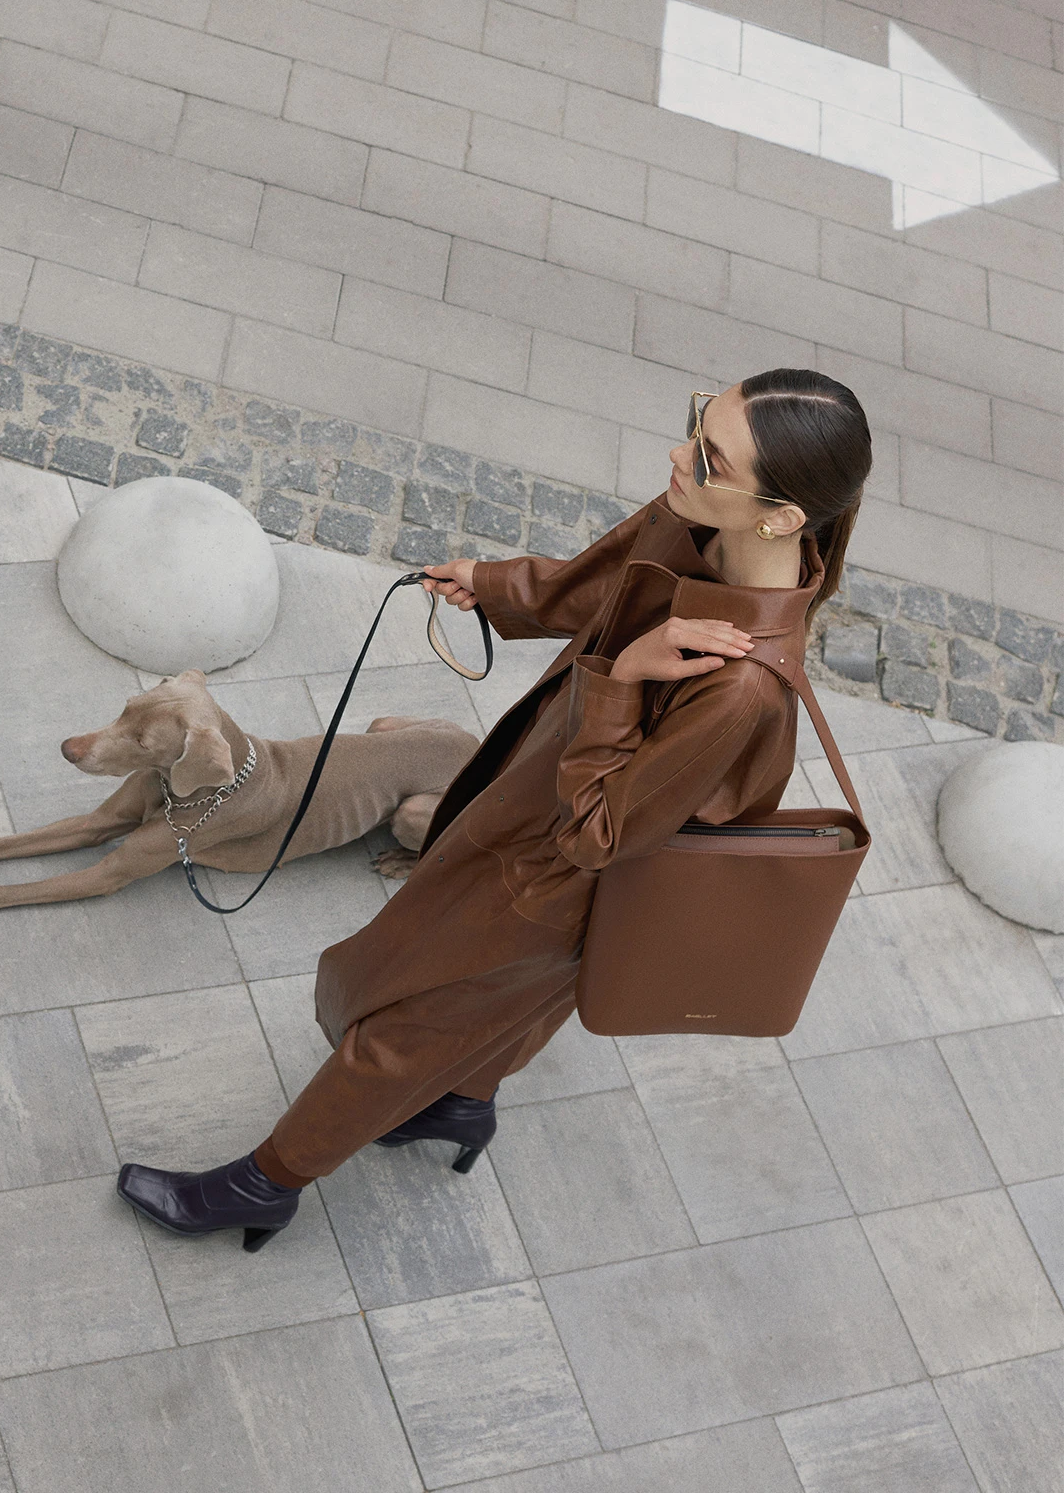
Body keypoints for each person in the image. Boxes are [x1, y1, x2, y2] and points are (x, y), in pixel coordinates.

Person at [116, 368, 873, 1251]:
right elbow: (607, 582)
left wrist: (622, 680)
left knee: (404, 1027)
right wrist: (500, 584)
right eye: (699, 422)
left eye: (711, 457)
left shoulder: (740, 689)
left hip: (557, 879)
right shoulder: (705, 516)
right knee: (490, 1010)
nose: (679, 455)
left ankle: (263, 1186)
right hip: (529, 796)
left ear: (781, 516)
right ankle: (462, 1103)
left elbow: (600, 836)